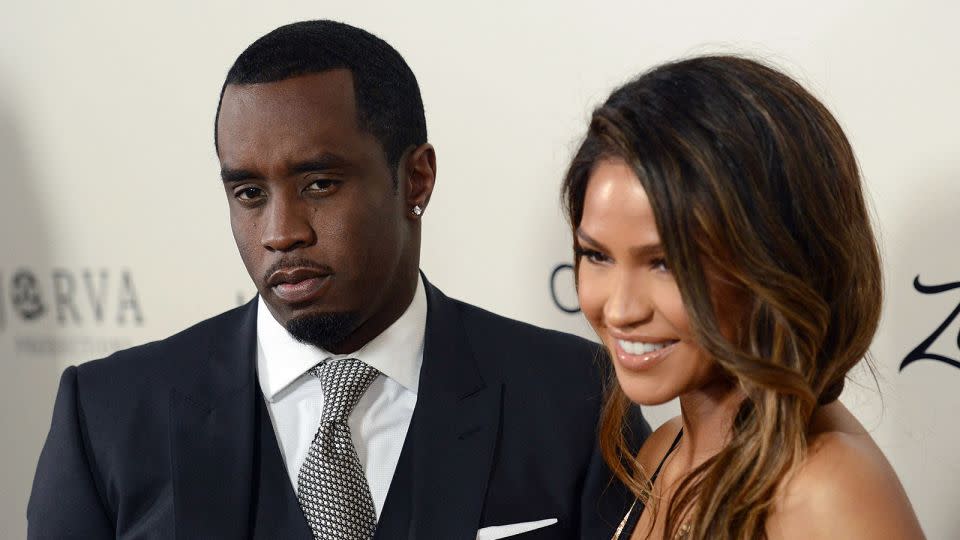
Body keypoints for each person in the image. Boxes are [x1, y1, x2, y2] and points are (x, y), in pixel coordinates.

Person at [28, 20, 649, 539]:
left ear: (417, 179)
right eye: (248, 193)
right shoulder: (107, 416)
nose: (281, 231)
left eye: (319, 184)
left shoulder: (576, 400)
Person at [561, 56, 924, 539]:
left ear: (775, 261)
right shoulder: (661, 453)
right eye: (597, 255)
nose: (621, 309)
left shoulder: (824, 491)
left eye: (666, 263)